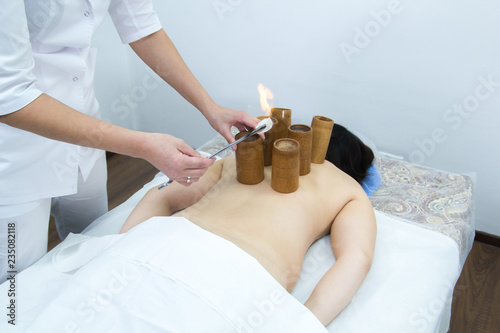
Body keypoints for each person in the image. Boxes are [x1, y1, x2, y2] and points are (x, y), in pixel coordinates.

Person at [0, 1, 258, 283]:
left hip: (83, 121)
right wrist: (144, 146)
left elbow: (143, 29)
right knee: (15, 286)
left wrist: (210, 108)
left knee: (94, 238)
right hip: (17, 148)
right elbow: (10, 95)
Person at [119, 135, 377, 326]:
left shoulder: (239, 160)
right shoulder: (348, 189)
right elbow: (356, 259)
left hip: (164, 244)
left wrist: (120, 248)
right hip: (239, 278)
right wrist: (302, 323)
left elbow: (162, 196)